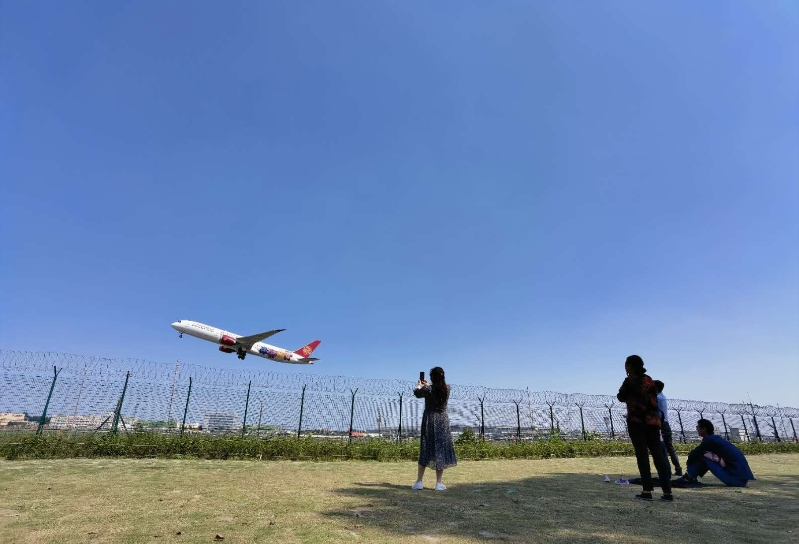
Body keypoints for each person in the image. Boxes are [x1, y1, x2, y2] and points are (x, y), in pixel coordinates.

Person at [616, 355, 674, 502]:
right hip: (653, 422)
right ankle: (667, 492)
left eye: (626, 365)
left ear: (631, 366)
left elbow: (621, 396)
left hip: (637, 422)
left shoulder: (629, 381)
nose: (625, 367)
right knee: (658, 456)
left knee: (642, 456)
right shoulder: (649, 380)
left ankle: (647, 490)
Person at [671, 419, 755, 488]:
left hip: (736, 480)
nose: (696, 429)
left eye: (698, 427)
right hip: (741, 479)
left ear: (704, 429)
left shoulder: (709, 440)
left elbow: (694, 454)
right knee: (703, 455)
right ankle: (690, 476)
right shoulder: (716, 440)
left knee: (702, 456)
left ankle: (689, 477)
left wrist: (689, 463)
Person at [411, 366, 457, 491]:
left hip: (430, 420)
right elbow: (435, 390)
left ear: (431, 377)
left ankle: (419, 481)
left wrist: (420, 386)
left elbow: (417, 393)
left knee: (426, 447)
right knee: (440, 450)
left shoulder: (428, 389)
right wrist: (428, 386)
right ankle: (438, 483)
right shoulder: (447, 389)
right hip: (442, 420)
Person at [654, 380, 683, 476]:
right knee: (669, 448)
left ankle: (667, 470)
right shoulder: (662, 396)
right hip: (665, 424)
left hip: (661, 424)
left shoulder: (657, 398)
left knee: (662, 448)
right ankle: (677, 469)